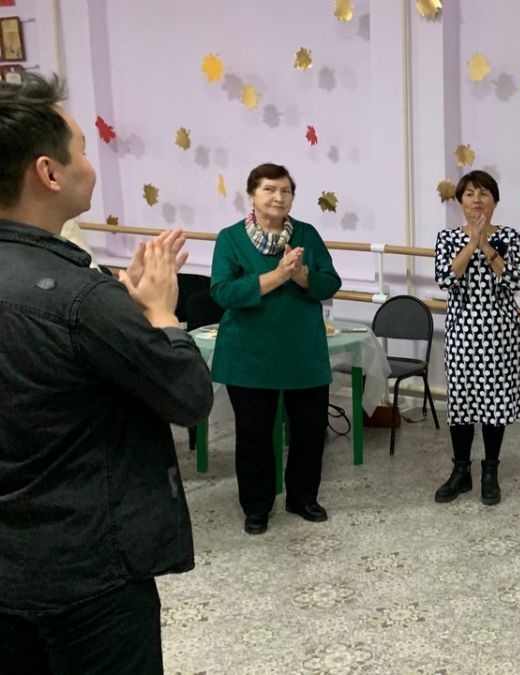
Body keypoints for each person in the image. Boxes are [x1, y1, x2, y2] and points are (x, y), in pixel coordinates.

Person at [0, 73, 213, 672]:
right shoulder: (80, 299)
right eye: (83, 151)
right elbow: (189, 396)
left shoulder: (85, 298)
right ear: (49, 173)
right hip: (88, 571)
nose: (91, 167)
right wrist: (161, 314)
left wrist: (122, 313)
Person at [210, 163, 342, 534]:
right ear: (252, 195)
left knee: (309, 432)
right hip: (249, 357)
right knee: (254, 436)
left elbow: (330, 282)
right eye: (269, 189)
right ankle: (257, 506)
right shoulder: (230, 238)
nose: (278, 197)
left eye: (285, 190)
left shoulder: (307, 235)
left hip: (302, 354)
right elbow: (223, 291)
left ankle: (303, 498)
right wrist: (278, 275)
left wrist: (302, 275)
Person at [433, 170, 520, 505]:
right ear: (460, 202)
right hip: (462, 333)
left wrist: (485, 244)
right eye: (470, 194)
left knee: (494, 404)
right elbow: (446, 279)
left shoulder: (510, 237)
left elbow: (514, 280)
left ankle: (490, 472)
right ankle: (461, 471)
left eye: (484, 193)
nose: (476, 200)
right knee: (461, 402)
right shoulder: (447, 238)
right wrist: (471, 243)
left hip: (500, 334)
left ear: (495, 202)